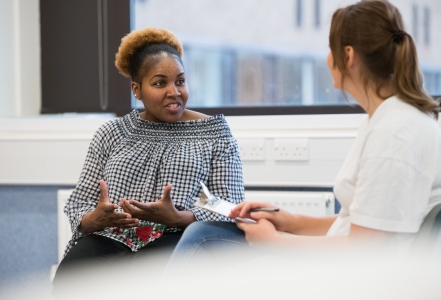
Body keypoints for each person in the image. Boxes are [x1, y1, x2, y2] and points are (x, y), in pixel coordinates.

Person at [167, 0, 441, 267]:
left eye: (330, 49)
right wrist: (289, 221)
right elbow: (358, 223)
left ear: (348, 56)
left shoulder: (395, 133)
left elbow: (364, 247)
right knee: (203, 234)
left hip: (357, 274)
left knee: (202, 239)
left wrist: (274, 242)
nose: (327, 59)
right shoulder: (385, 120)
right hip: (347, 260)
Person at [52, 27, 244, 295]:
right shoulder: (112, 133)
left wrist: (179, 217)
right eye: (159, 83)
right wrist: (94, 218)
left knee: (146, 285)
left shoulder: (215, 134)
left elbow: (228, 206)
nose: (174, 92)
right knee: (71, 280)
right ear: (137, 89)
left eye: (180, 81)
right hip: (110, 236)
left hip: (176, 237)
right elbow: (80, 203)